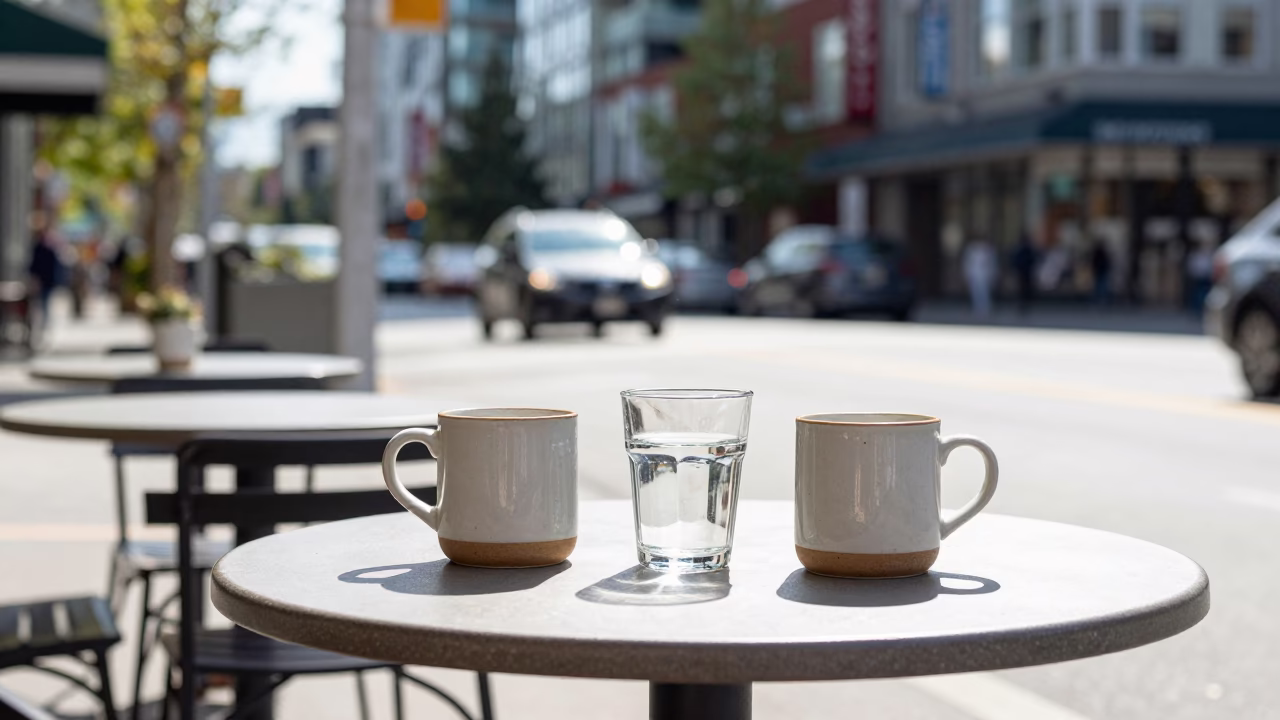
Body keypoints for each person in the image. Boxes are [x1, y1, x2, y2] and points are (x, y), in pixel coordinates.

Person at [27, 230, 64, 331]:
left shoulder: (48, 251)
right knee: (41, 304)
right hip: (42, 282)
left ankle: (44, 323)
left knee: (44, 303)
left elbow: (54, 268)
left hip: (45, 282)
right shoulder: (40, 250)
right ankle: (41, 323)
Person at [962, 238, 997, 318]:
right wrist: (967, 274)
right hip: (974, 274)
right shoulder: (971, 250)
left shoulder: (988, 251)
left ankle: (985, 308)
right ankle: (977, 307)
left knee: (984, 292)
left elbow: (991, 264)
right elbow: (967, 264)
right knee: (975, 292)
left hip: (984, 275)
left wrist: (992, 274)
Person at [1011, 233, 1037, 314]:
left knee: (1025, 289)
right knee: (1022, 289)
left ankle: (1025, 304)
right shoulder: (1021, 250)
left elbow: (1032, 260)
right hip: (1022, 272)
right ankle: (1023, 304)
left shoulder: (1027, 250)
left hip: (1026, 272)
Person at [1090, 240, 1113, 306]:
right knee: (1101, 285)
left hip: (1101, 270)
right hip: (1101, 270)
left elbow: (1094, 262)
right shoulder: (1101, 252)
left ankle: (1099, 299)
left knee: (1100, 285)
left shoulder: (1099, 252)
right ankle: (1100, 299)